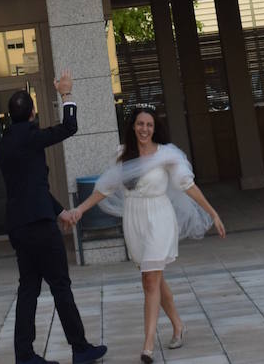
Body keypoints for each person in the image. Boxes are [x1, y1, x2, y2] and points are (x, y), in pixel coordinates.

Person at [68, 105, 225, 363]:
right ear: (133, 126)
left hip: (159, 217)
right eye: (140, 124)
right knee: (154, 280)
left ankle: (148, 346)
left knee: (150, 281)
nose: (144, 129)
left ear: (155, 128)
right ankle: (178, 325)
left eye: (149, 125)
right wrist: (80, 210)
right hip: (135, 220)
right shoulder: (123, 155)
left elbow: (188, 185)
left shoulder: (166, 155)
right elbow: (104, 189)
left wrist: (212, 213)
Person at [0, 72, 107, 364]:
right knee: (60, 285)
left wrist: (62, 212)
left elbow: (31, 188)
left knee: (29, 288)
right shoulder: (32, 137)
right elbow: (69, 126)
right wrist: (66, 94)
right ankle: (80, 348)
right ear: (32, 114)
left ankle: (24, 355)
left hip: (19, 227)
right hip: (40, 227)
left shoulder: (5, 143)